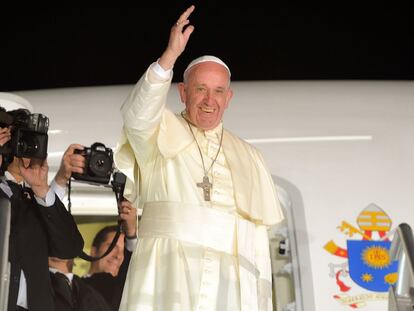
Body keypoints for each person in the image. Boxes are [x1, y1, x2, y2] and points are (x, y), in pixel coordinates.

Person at [114, 5, 284, 311]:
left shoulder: (250, 156)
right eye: (200, 89)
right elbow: (137, 115)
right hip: (167, 278)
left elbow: (257, 244)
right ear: (182, 92)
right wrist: (168, 57)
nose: (209, 100)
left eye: (218, 91)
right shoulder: (157, 133)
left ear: (228, 98)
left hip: (230, 289)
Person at [0, 108, 84, 310]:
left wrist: (42, 189)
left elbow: (70, 247)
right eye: (23, 140)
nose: (29, 148)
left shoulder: (34, 200)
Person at [82, 216, 137, 311]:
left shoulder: (129, 292)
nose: (118, 256)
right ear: (93, 251)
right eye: (112, 247)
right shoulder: (74, 287)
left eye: (124, 251)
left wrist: (131, 235)